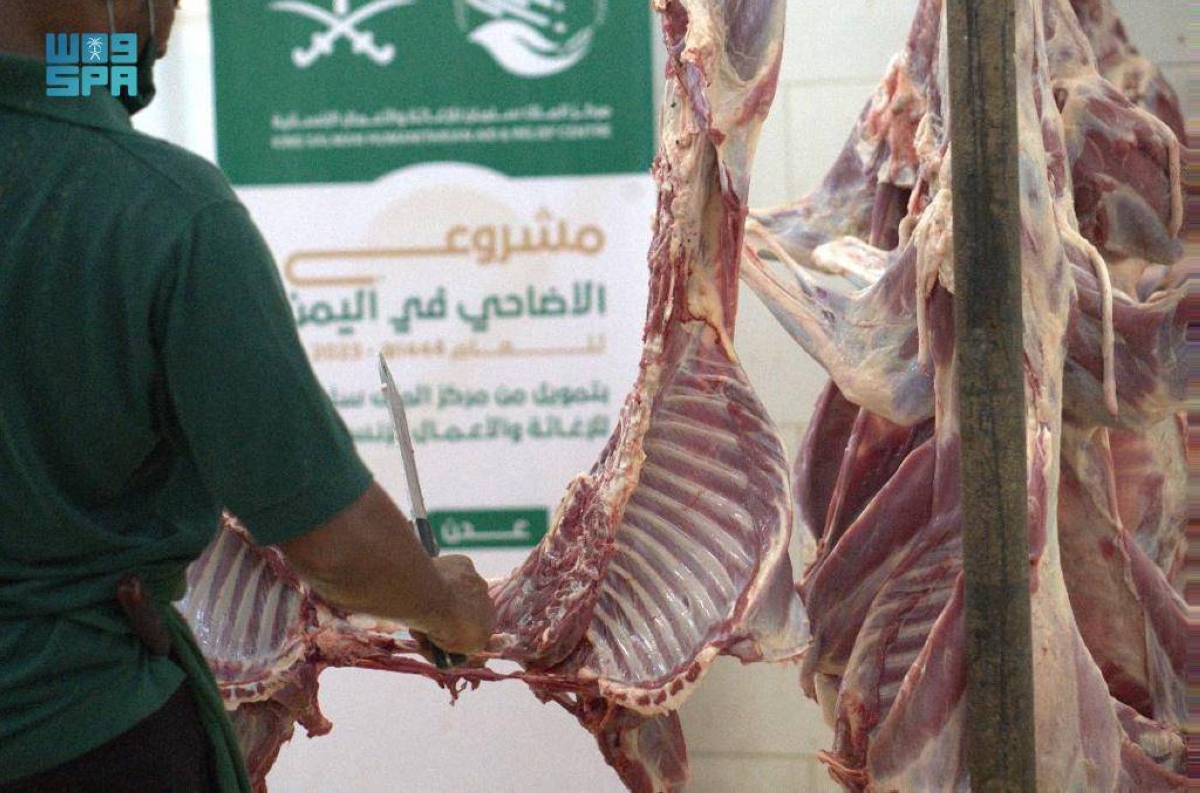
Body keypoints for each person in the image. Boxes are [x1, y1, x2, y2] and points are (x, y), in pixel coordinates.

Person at [0, 1, 496, 790]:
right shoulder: (164, 210)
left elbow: (50, 75)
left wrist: (97, 78)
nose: (168, 18)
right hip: (87, 737)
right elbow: (334, 544)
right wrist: (444, 604)